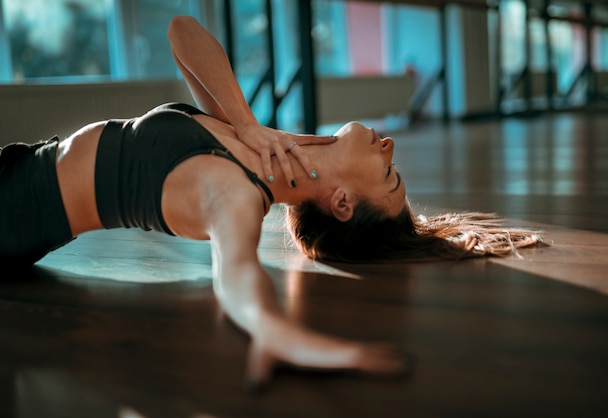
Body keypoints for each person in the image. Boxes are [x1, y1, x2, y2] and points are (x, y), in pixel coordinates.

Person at [0, 16, 541, 389]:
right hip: (18, 166)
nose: (390, 148)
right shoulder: (250, 144)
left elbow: (236, 274)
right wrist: (250, 125)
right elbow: (181, 32)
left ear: (343, 203)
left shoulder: (235, 192)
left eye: (389, 176)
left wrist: (272, 328)